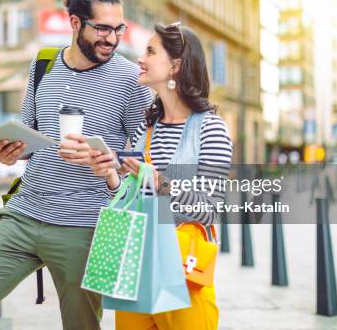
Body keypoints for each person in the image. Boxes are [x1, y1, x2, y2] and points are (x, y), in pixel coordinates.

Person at [0, 0, 152, 330]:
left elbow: (147, 157)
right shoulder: (43, 63)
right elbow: (31, 136)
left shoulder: (130, 80)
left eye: (118, 29)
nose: (111, 39)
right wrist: (12, 151)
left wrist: (107, 161)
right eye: (102, 29)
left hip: (84, 228)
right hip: (23, 216)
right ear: (74, 23)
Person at [90, 22, 233, 330]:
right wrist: (111, 177)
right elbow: (130, 196)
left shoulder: (211, 129)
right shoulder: (146, 128)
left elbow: (209, 209)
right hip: (136, 266)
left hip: (182, 273)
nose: (141, 59)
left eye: (151, 52)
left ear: (175, 66)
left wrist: (163, 185)